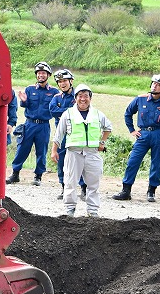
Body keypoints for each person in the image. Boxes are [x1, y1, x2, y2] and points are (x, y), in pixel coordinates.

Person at [53, 84, 112, 217]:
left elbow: (108, 127)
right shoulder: (68, 114)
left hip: (92, 153)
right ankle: (70, 209)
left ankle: (92, 210)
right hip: (74, 153)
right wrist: (54, 150)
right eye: (80, 96)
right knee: (70, 182)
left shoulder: (97, 114)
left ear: (90, 98)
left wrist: (101, 142)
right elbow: (58, 134)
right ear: (75, 98)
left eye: (86, 96)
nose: (83, 99)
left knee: (94, 183)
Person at [113, 74, 160, 202]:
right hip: (143, 134)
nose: (154, 86)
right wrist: (132, 130)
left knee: (156, 164)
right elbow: (128, 113)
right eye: (153, 83)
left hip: (159, 135)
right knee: (133, 161)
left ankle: (151, 191)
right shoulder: (140, 99)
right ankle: (126, 190)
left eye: (158, 84)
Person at [8, 62, 55, 185]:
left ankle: (38, 176)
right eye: (39, 73)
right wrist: (23, 101)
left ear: (48, 75)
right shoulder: (30, 89)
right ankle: (15, 174)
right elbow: (24, 105)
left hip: (44, 125)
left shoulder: (54, 92)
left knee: (41, 151)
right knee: (22, 149)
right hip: (29, 124)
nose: (41, 75)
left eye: (43, 73)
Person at [48, 69, 77, 200]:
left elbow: (79, 110)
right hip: (61, 134)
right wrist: (69, 112)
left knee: (79, 161)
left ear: (70, 81)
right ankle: (64, 187)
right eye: (59, 82)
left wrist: (64, 112)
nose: (62, 84)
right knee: (61, 162)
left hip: (76, 134)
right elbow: (53, 111)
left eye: (64, 81)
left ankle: (82, 187)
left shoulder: (79, 95)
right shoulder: (56, 98)